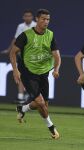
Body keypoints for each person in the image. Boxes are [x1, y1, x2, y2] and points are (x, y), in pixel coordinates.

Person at [9, 9, 61, 139]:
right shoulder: (26, 35)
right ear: (37, 19)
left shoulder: (50, 35)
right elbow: (13, 52)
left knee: (43, 105)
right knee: (40, 102)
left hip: (43, 73)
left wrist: (56, 69)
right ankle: (52, 128)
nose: (46, 22)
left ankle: (23, 108)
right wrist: (15, 70)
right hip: (28, 71)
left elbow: (57, 56)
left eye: (48, 19)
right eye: (43, 19)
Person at [1, 9, 36, 104]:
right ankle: (21, 96)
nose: (28, 17)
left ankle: (31, 95)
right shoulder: (20, 26)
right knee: (21, 74)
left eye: (29, 16)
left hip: (33, 55)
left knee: (32, 76)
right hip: (22, 55)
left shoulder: (36, 26)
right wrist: (9, 50)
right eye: (26, 16)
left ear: (32, 17)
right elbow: (16, 39)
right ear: (23, 17)